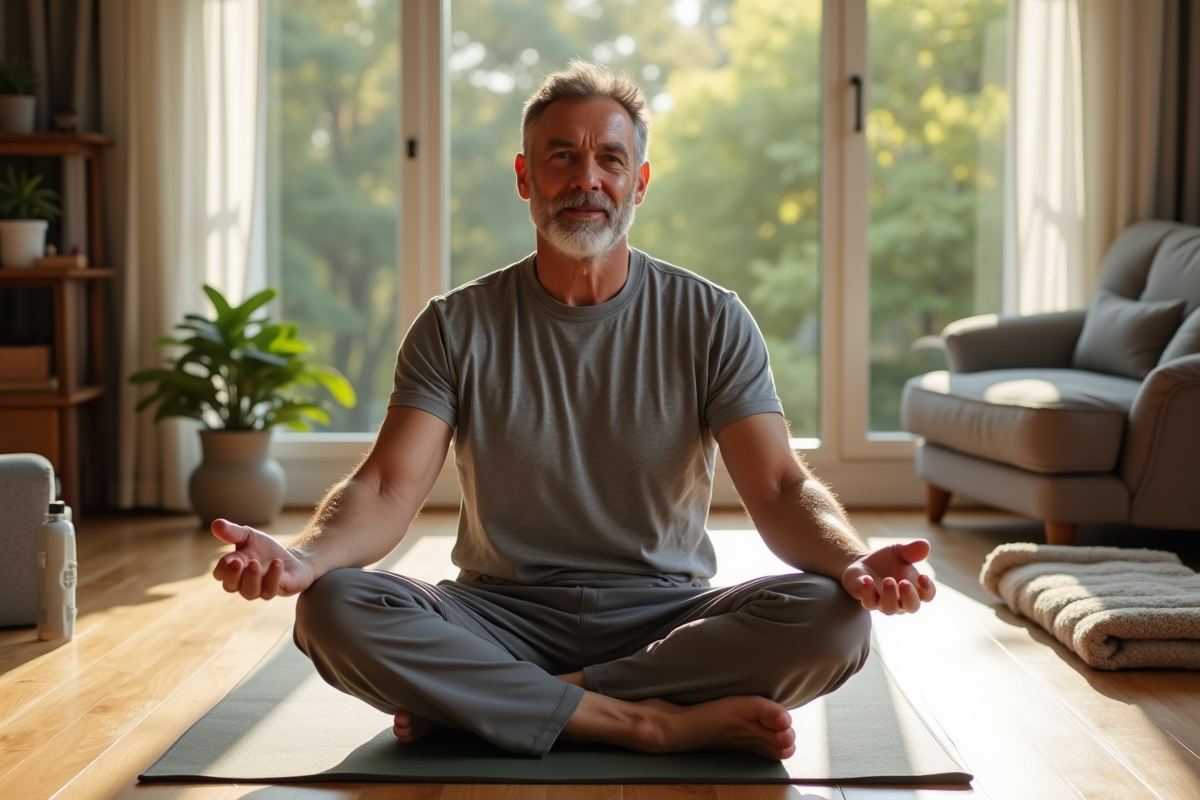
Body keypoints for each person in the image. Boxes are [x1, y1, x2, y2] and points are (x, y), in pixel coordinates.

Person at [211, 60, 936, 761]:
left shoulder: (712, 318)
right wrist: (304, 558)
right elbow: (386, 487)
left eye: (610, 160)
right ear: (526, 177)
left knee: (835, 618)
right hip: (498, 616)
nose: (587, 178)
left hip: (666, 618)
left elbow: (780, 488)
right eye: (561, 157)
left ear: (639, 183)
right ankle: (646, 726)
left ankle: (503, 707)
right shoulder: (453, 324)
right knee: (333, 609)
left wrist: (853, 561)